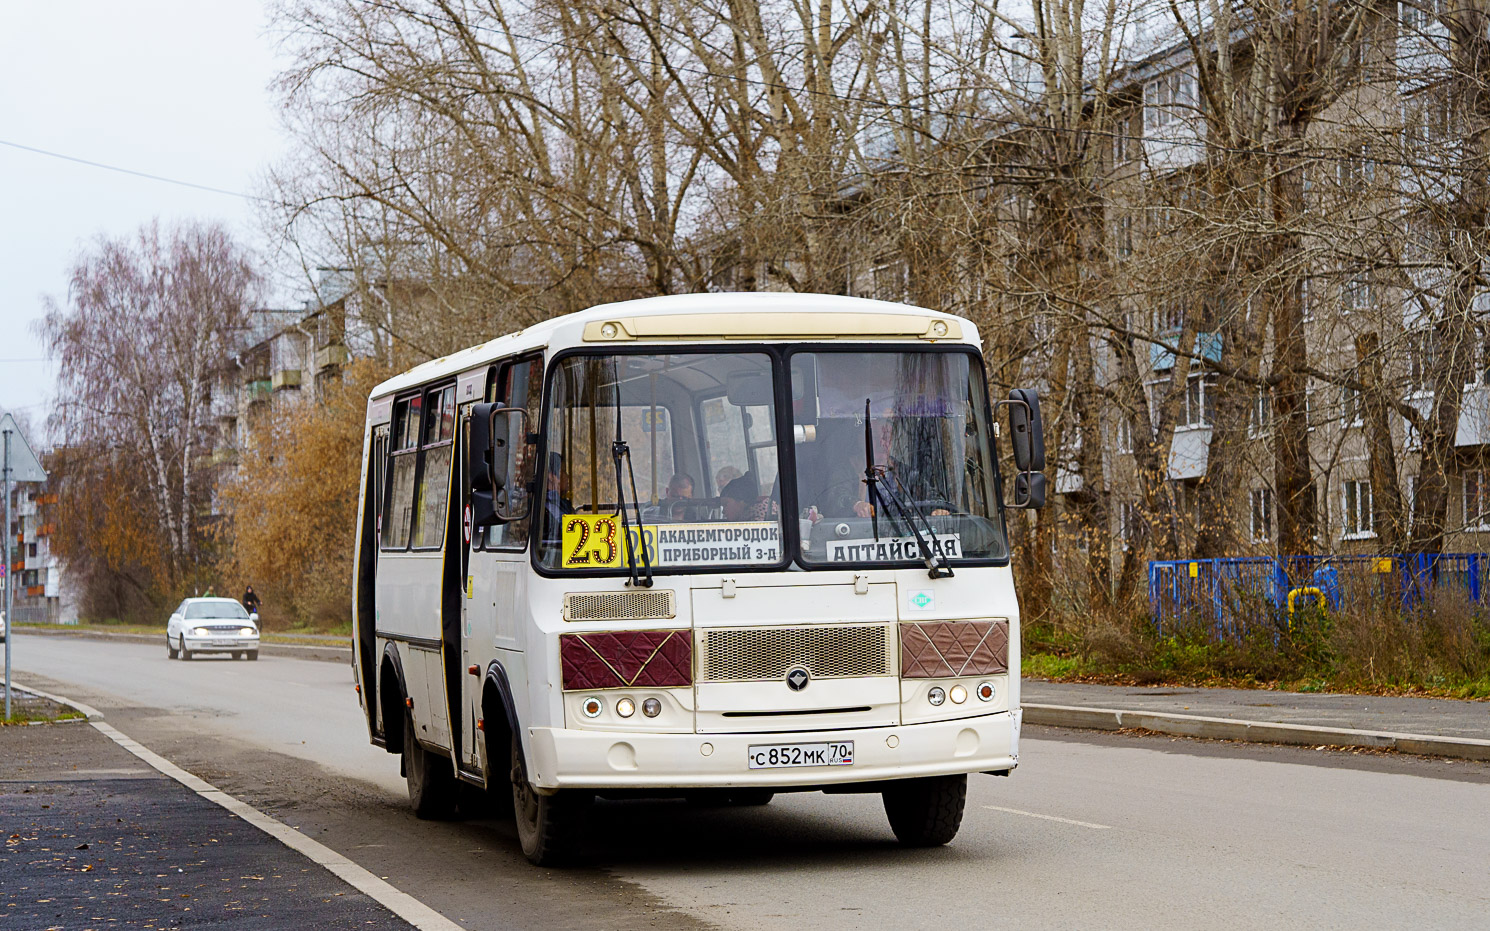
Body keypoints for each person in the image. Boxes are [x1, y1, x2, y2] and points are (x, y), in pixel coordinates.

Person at [543, 452, 573, 544]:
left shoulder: (562, 504)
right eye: (563, 471)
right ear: (551, 477)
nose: (567, 476)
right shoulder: (547, 507)